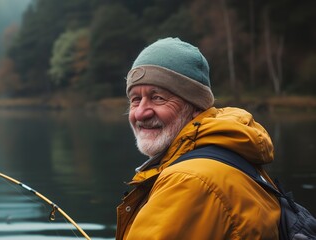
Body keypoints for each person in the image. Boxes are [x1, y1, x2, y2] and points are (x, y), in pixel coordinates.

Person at [116, 37, 280, 239]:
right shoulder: (226, 154)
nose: (141, 113)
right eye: (136, 99)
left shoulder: (188, 180)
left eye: (158, 98)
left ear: (195, 106)